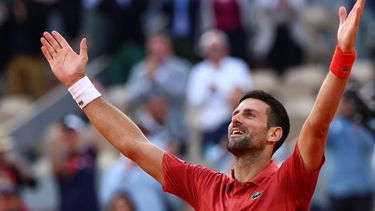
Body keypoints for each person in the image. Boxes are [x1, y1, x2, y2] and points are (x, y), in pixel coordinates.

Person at [40, 0, 366, 209]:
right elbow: (134, 145)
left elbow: (319, 123)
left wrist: (343, 55)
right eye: (236, 112)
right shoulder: (206, 186)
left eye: (249, 115)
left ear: (274, 134)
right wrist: (78, 84)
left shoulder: (290, 181)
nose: (235, 119)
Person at [325, 91, 374, 211]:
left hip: (362, 186)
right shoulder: (333, 125)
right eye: (344, 103)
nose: (348, 106)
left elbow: (370, 144)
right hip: (338, 188)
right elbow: (321, 137)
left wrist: (360, 123)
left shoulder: (366, 125)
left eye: (351, 103)